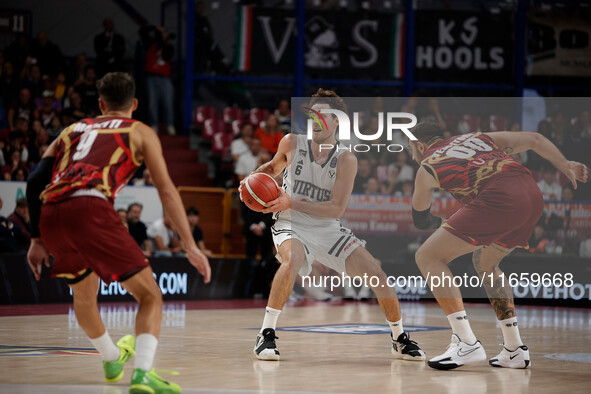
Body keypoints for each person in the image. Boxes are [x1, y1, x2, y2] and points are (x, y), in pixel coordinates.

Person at [26, 72, 210, 393]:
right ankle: (142, 375)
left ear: (100, 105)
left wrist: (36, 238)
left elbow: (35, 179)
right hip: (90, 207)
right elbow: (166, 191)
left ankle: (112, 358)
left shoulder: (72, 129)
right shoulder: (139, 130)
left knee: (84, 296)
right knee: (150, 295)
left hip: (51, 212)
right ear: (134, 104)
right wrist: (190, 245)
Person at [239, 88, 425, 362]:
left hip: (327, 227)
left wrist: (292, 201)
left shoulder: (347, 159)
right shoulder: (291, 142)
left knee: (377, 274)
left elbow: (337, 208)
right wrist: (249, 181)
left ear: (337, 121)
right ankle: (265, 334)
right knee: (293, 261)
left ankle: (399, 338)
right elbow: (270, 168)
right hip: (291, 223)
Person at [408, 122, 587, 370]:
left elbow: (419, 219)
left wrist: (439, 221)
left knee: (427, 256)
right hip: (532, 195)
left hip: (499, 198)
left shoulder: (427, 166)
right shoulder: (476, 137)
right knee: (486, 263)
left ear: (419, 145)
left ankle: (465, 342)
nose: (412, 156)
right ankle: (514, 349)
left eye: (411, 149)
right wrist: (564, 164)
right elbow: (535, 139)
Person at [140, 25, 176, 135]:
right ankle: (154, 125)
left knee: (168, 103)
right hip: (151, 77)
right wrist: (155, 28)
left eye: (165, 33)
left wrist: (165, 38)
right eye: (162, 33)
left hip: (165, 78)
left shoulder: (169, 47)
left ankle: (169, 125)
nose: (164, 34)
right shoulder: (150, 44)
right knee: (152, 103)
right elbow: (142, 31)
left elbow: (166, 56)